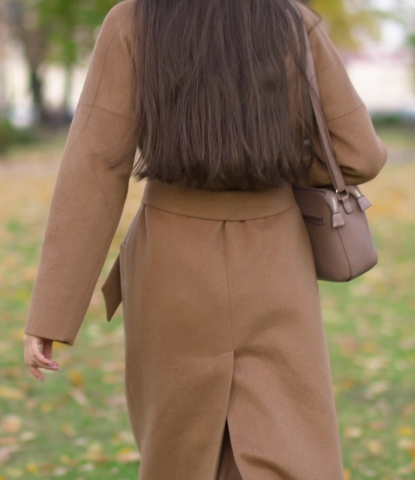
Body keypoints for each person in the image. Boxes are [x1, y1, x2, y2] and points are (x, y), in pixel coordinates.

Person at [22, 0, 387, 478]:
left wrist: (51, 313)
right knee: (292, 447)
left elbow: (96, 167)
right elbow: (360, 153)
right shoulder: (293, 20)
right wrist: (272, 160)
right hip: (274, 260)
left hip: (171, 264)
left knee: (179, 453)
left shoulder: (134, 20)